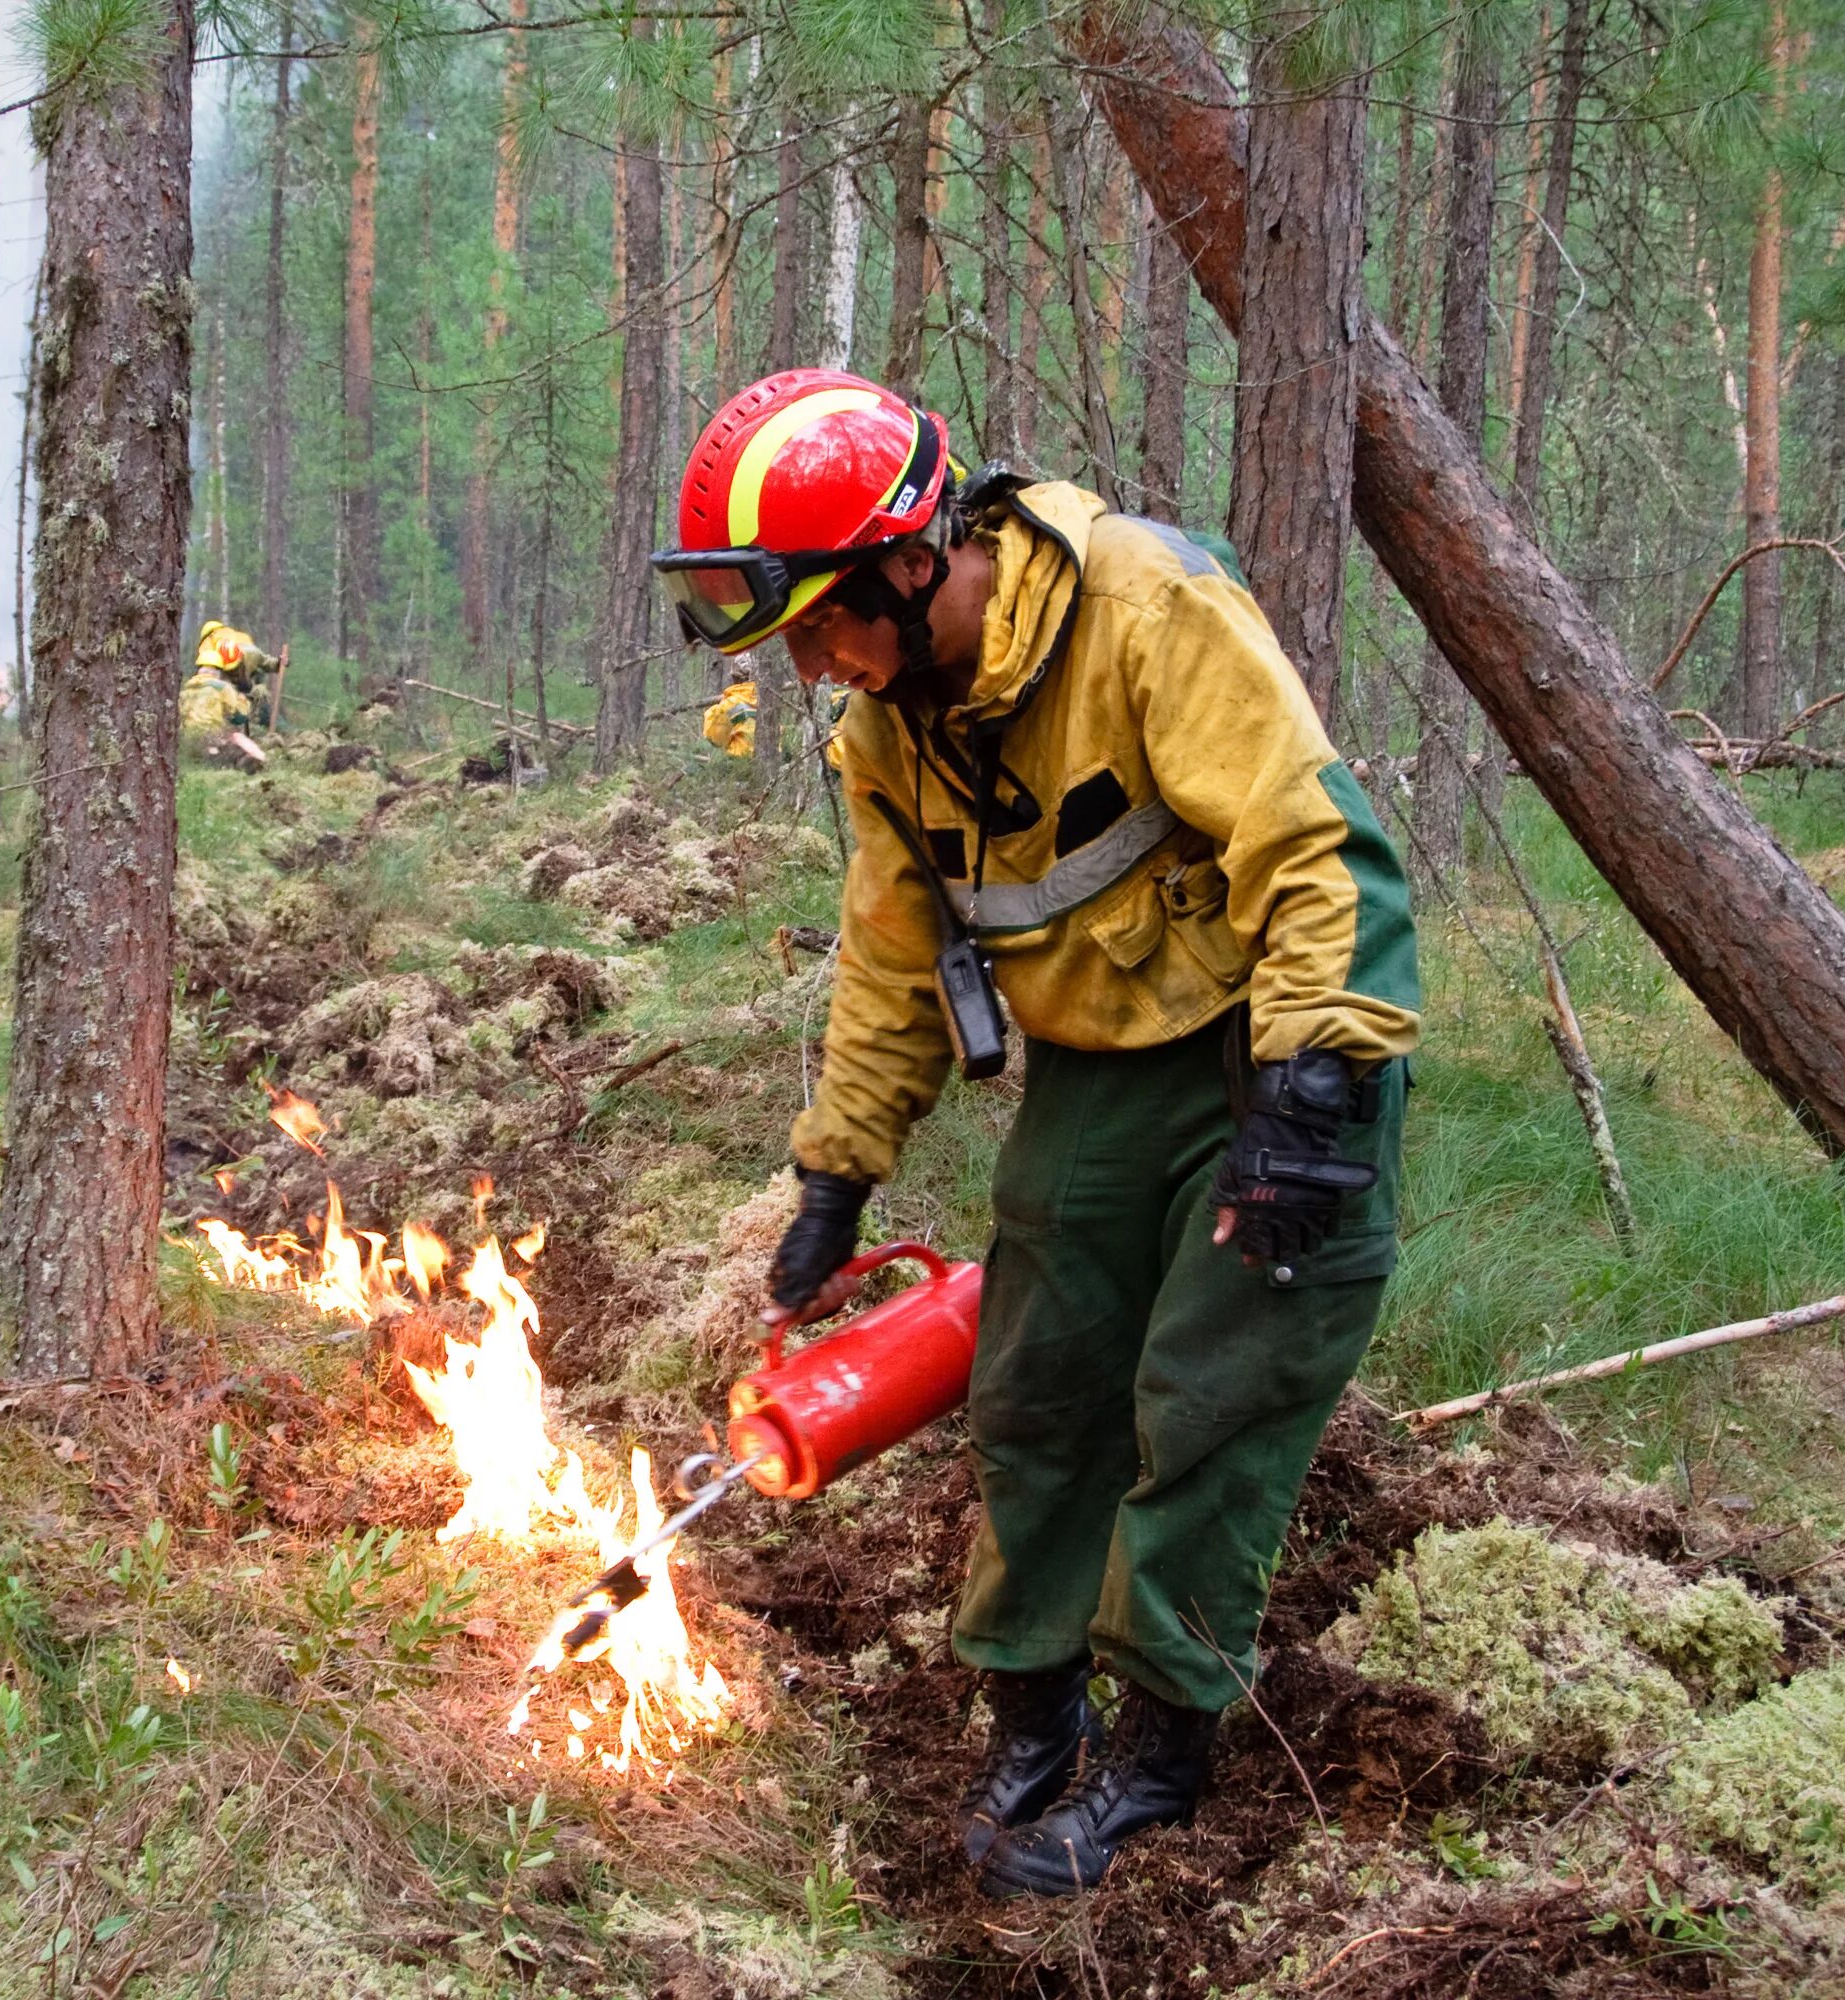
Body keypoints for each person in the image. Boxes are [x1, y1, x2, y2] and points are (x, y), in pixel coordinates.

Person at [651, 369, 1419, 1897]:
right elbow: (890, 959)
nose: (812, 665)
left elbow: (1312, 840)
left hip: (1270, 1052)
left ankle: (1161, 1755)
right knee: (1036, 1389)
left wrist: (1318, 1089)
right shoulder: (883, 729)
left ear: (910, 563)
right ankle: (1033, 1705)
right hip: (1098, 1068)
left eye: (819, 621)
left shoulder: (1145, 607)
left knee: (1206, 1398)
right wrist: (837, 1167)